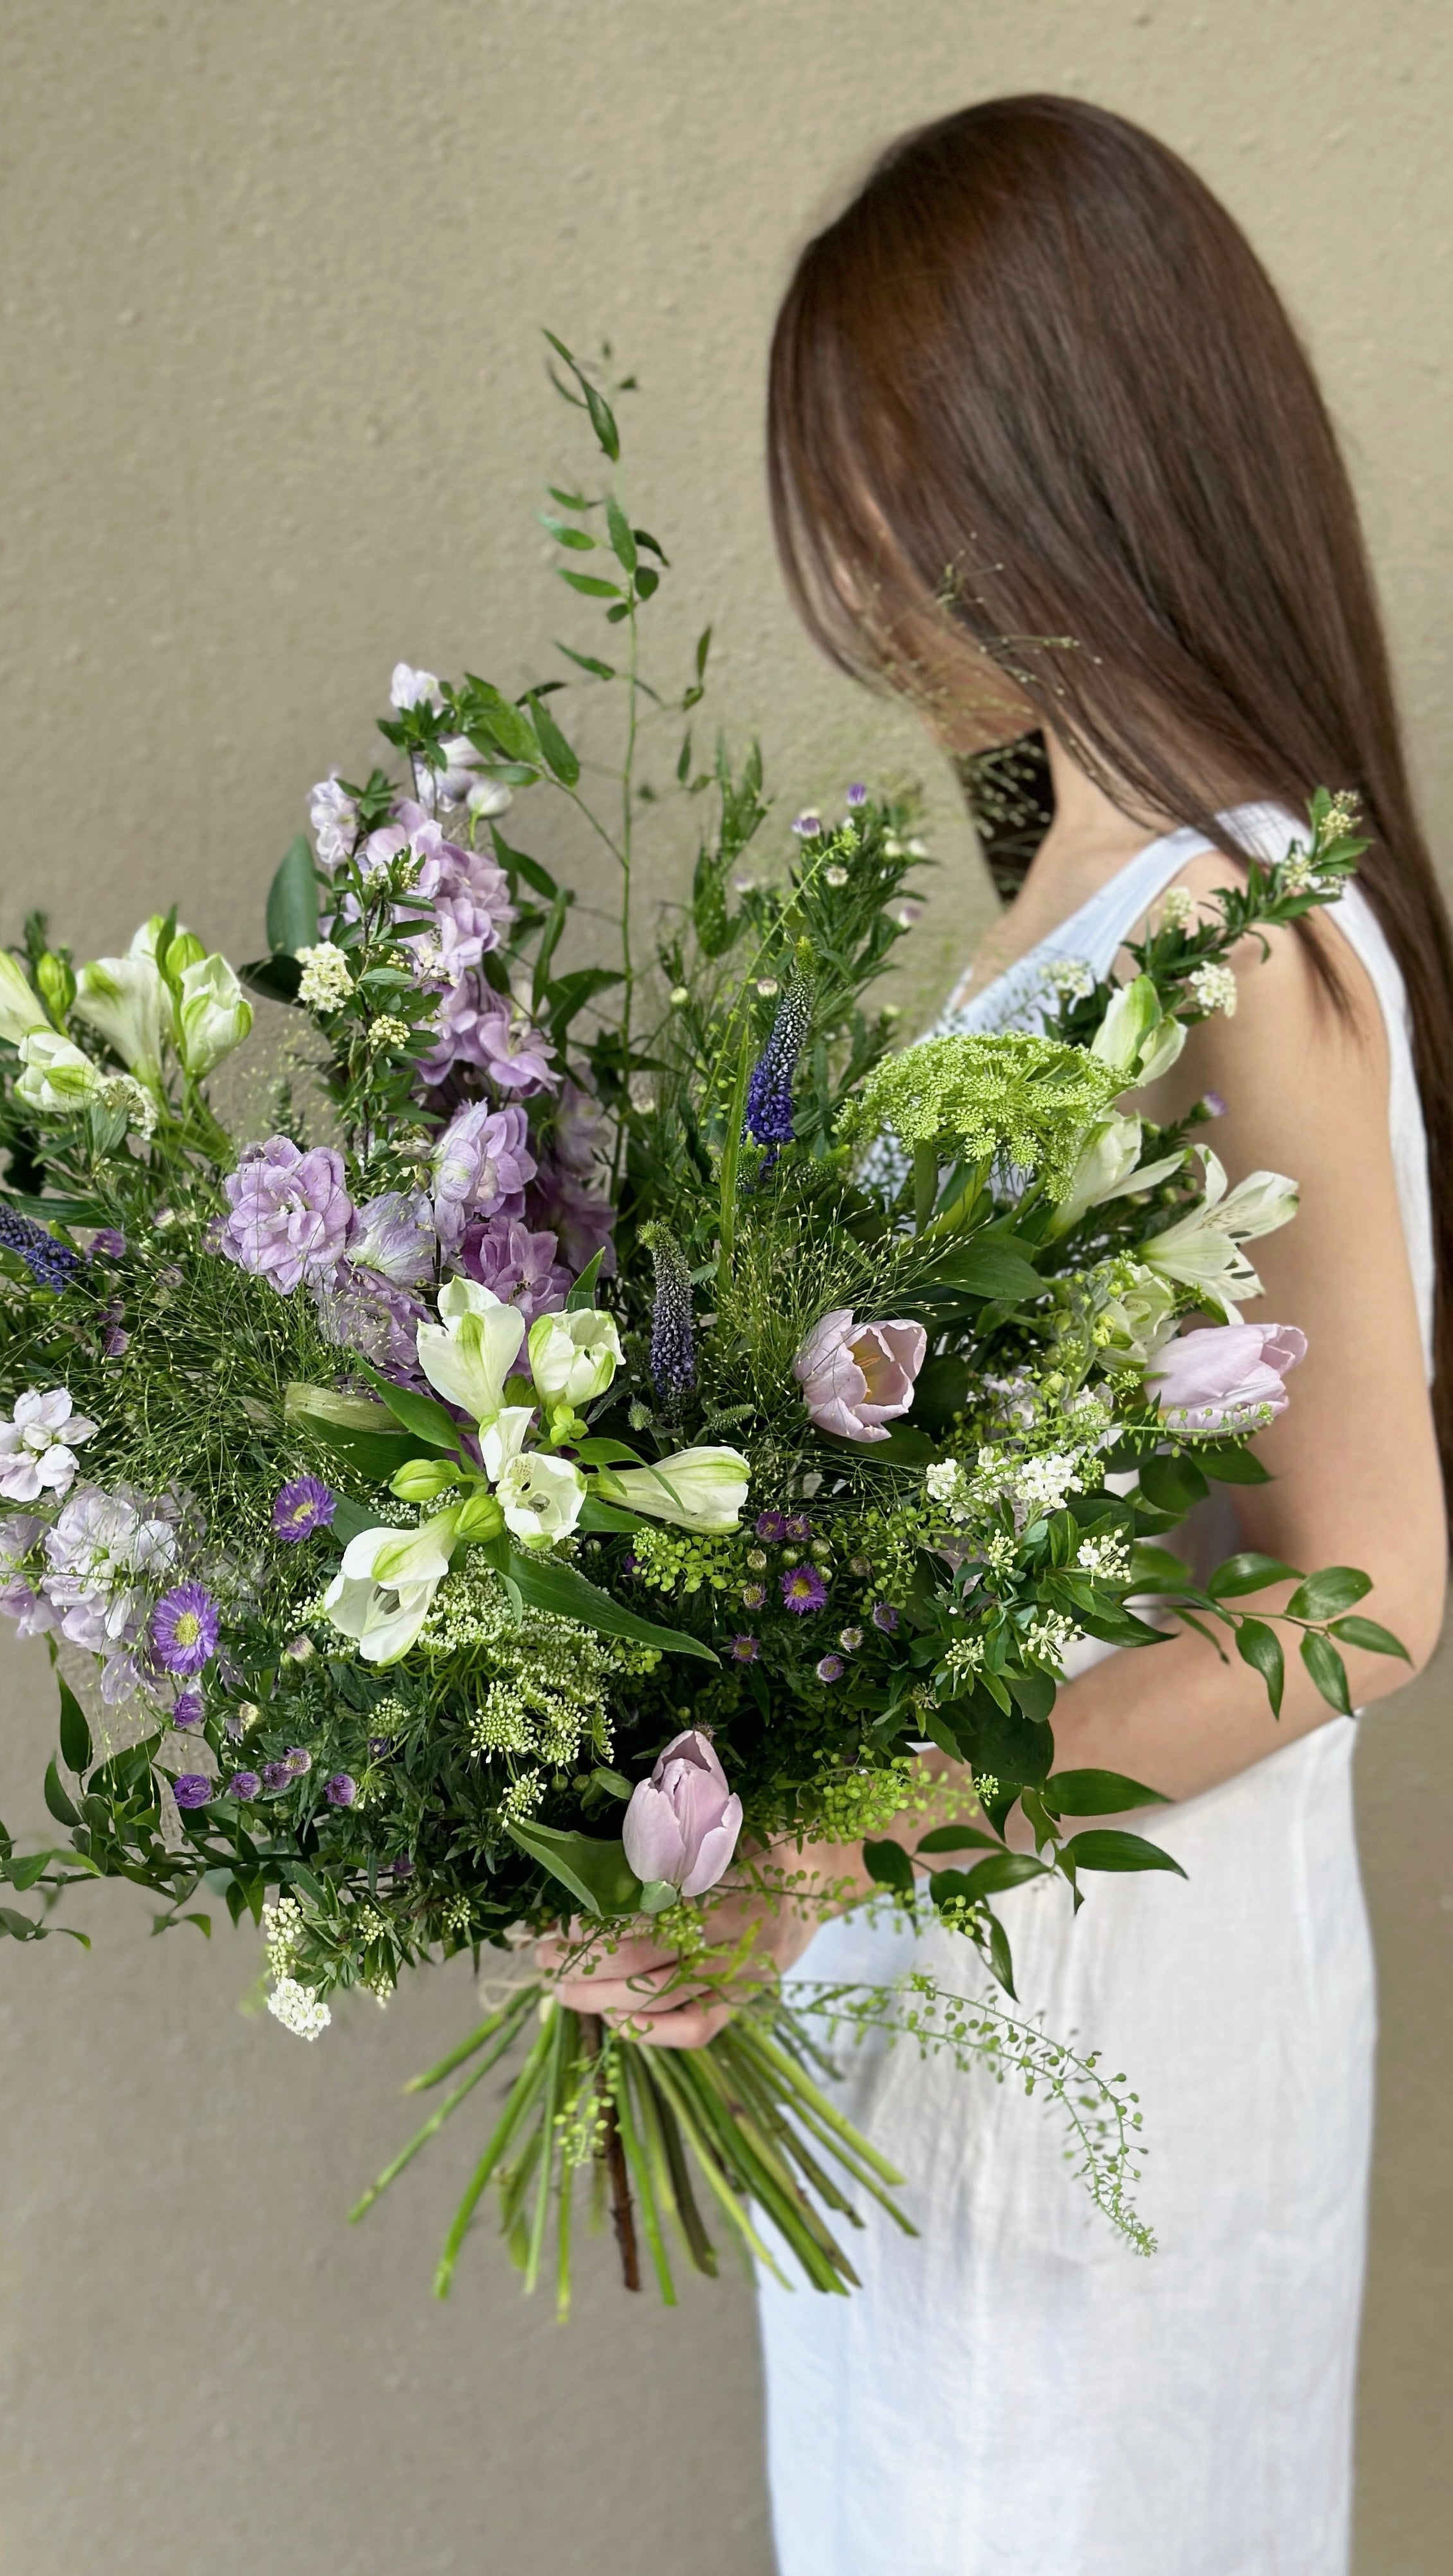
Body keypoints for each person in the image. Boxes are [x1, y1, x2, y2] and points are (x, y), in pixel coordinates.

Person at [544, 96, 1450, 2576]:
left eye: (874, 474)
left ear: (1057, 462)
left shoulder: (1233, 918)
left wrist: (841, 1836)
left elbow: (1365, 1579)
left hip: (1114, 2001)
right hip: (942, 1974)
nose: (847, 562)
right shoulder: (1061, 911)